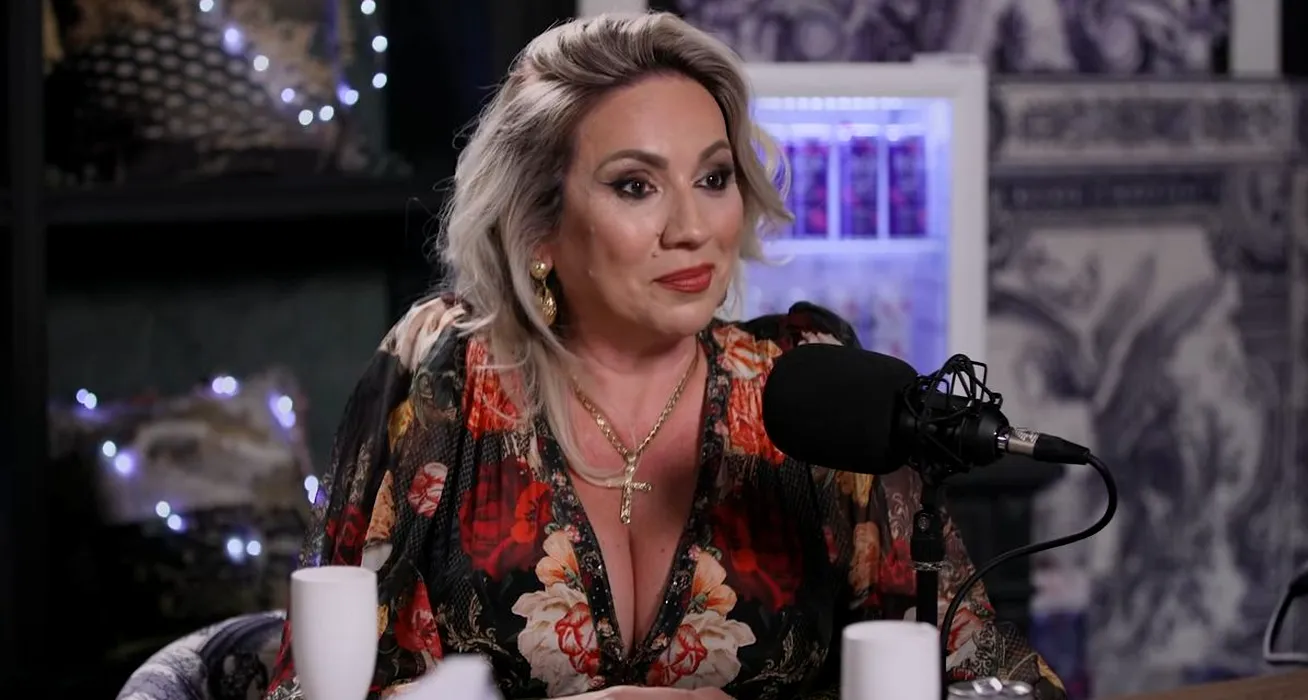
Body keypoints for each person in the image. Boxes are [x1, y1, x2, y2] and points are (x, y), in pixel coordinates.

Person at [265, 11, 1067, 700]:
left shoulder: (808, 384)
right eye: (635, 186)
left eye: (713, 178)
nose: (691, 228)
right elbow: (309, 687)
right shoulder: (444, 380)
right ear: (537, 227)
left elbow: (1002, 683)